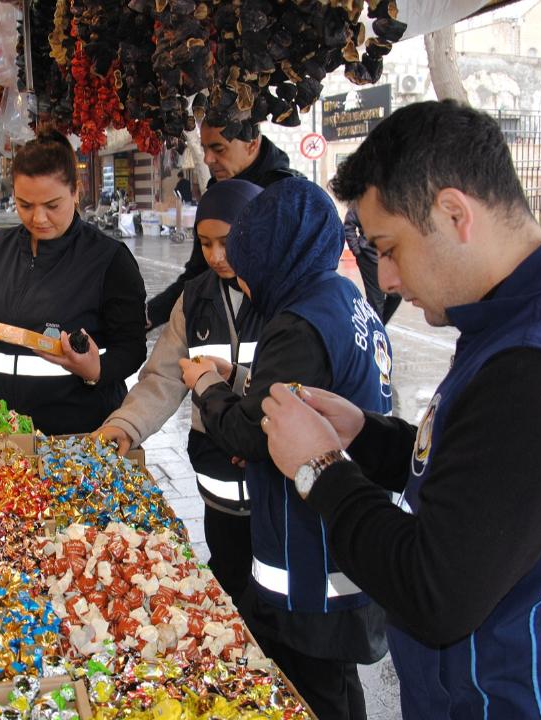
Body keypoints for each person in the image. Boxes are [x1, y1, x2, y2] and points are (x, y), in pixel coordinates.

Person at [258, 101, 541, 719]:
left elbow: (431, 594)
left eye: (388, 247)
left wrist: (321, 469)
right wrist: (366, 436)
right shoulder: (538, 309)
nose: (383, 277)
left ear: (453, 213)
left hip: (527, 700)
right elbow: (480, 477)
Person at [181, 178, 390, 719]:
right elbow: (310, 389)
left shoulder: (297, 322)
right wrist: (244, 380)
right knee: (331, 684)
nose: (243, 280)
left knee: (316, 693)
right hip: (337, 549)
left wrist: (208, 389)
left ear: (277, 256)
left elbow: (257, 434)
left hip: (310, 562)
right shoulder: (342, 296)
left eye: (247, 262)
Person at [93, 179, 264, 599]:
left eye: (226, 242)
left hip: (273, 483)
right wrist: (126, 425)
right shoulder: (195, 298)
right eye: (205, 244)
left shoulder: (282, 294)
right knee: (227, 577)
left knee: (272, 591)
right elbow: (165, 376)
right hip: (218, 481)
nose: (216, 256)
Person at [0, 129, 148, 435]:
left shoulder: (109, 261)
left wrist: (97, 371)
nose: (38, 218)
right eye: (25, 205)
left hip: (75, 438)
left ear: (76, 191)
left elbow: (132, 348)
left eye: (52, 205)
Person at [145, 122, 302, 328]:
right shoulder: (215, 192)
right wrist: (149, 315)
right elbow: (197, 273)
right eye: (204, 148)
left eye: (218, 149)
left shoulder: (292, 197)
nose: (208, 159)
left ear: (252, 144)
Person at [344, 207, 401, 324]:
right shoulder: (363, 197)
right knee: (376, 301)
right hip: (369, 259)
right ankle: (376, 333)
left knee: (396, 294)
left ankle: (378, 328)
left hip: (391, 258)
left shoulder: (394, 196)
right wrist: (357, 251)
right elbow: (349, 225)